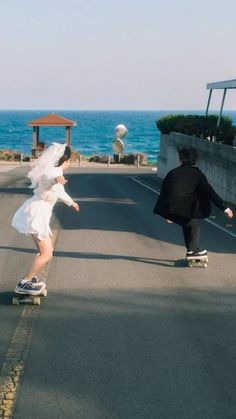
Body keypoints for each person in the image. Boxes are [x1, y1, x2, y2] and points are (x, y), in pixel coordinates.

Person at [12, 142, 80, 295]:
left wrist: (72, 202)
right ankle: (24, 283)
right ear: (67, 161)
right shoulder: (54, 172)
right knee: (47, 254)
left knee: (42, 251)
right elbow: (52, 177)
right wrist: (58, 178)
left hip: (35, 211)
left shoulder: (53, 173)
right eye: (70, 161)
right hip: (38, 213)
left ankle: (30, 279)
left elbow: (59, 191)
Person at [153, 146, 234, 260]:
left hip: (170, 209)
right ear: (195, 160)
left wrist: (167, 213)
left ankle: (191, 250)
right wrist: (225, 209)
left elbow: (165, 192)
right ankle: (193, 251)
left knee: (187, 225)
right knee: (194, 227)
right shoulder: (197, 174)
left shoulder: (172, 173)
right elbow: (210, 192)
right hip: (181, 208)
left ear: (180, 159)